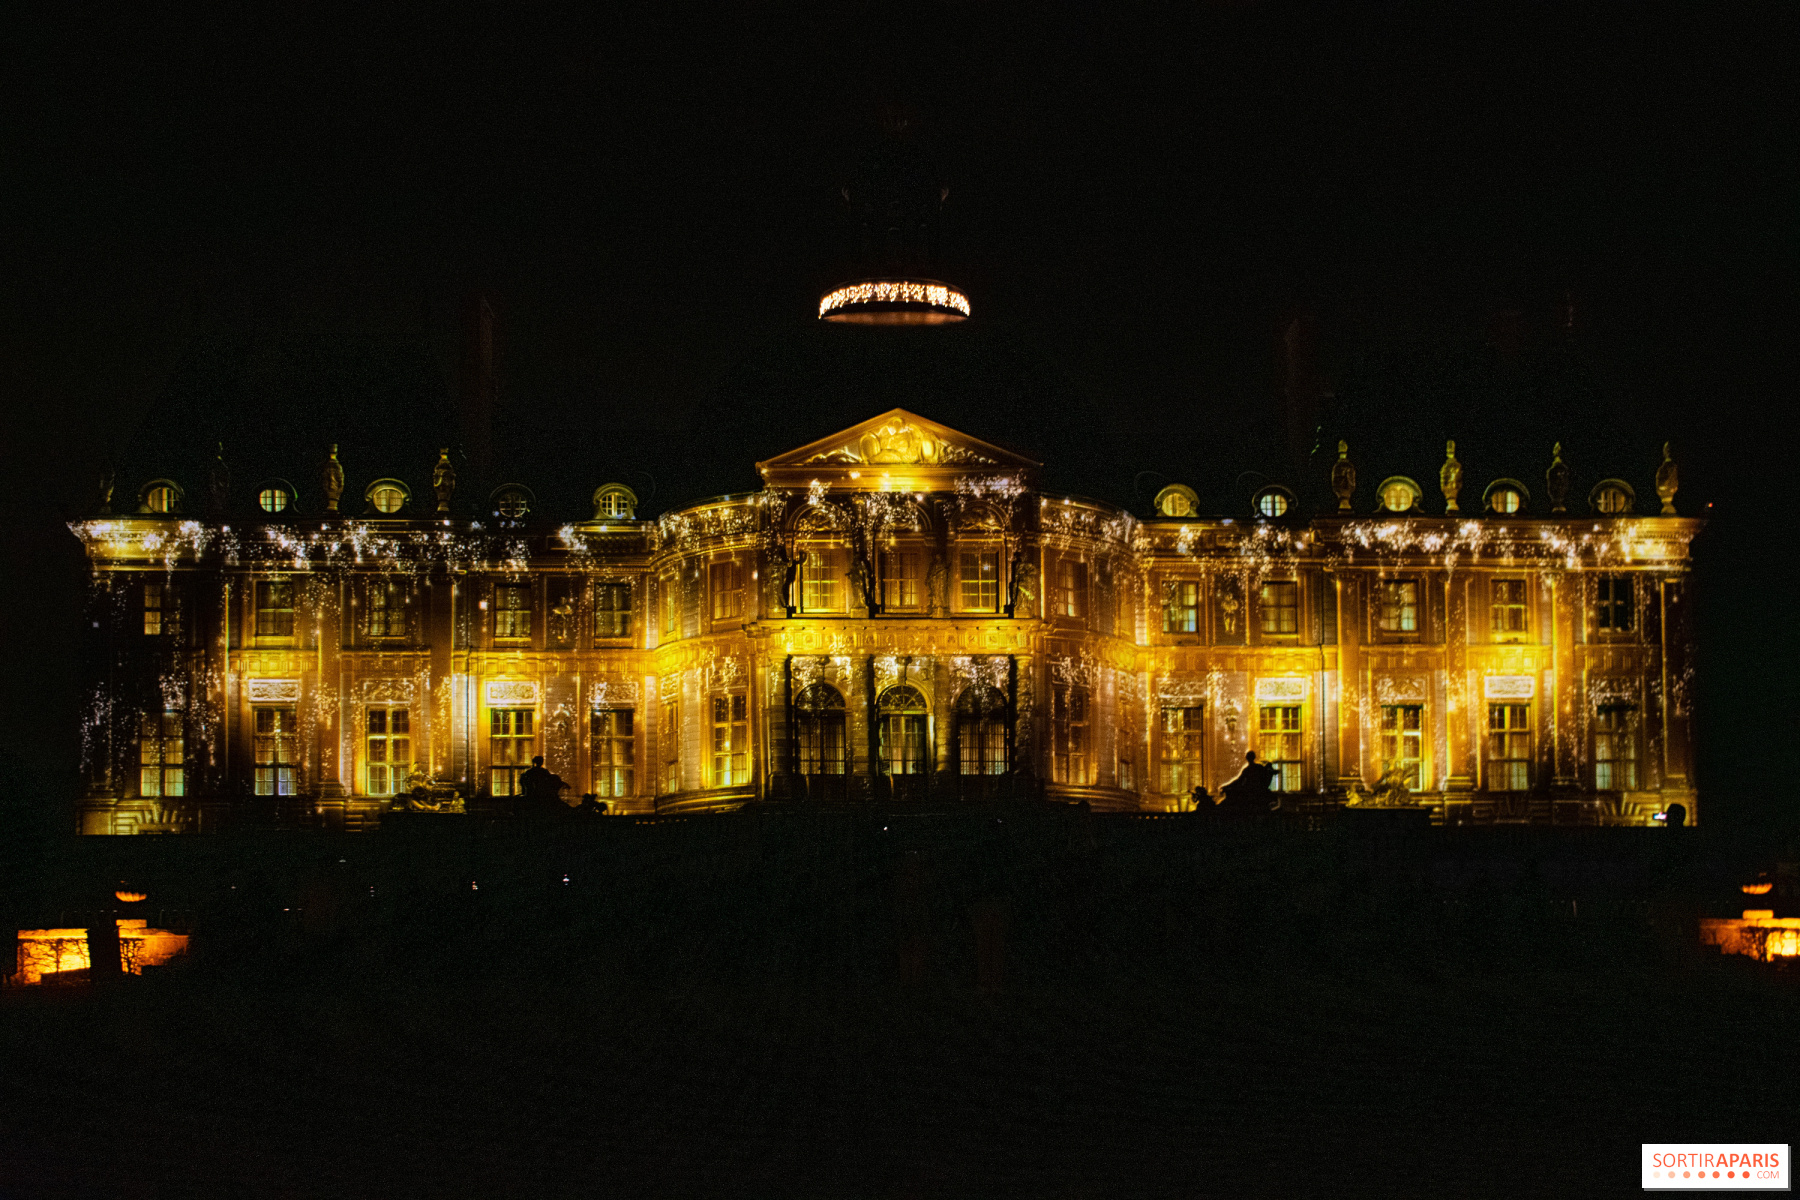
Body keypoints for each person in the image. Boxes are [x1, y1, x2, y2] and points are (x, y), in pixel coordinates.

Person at [1217, 751, 1277, 816]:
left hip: (1250, 791)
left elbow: (1238, 780)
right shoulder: (1258, 767)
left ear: (1247, 758)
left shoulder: (1247, 769)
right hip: (1256, 790)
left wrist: (1226, 786)